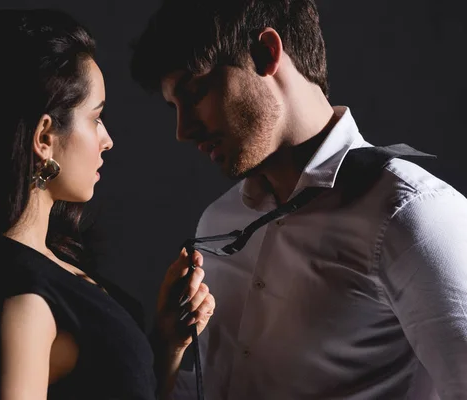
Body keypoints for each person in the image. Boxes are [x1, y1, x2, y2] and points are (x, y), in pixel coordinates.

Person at [130, 0, 467, 398]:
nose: (182, 130)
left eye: (195, 91)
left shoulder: (412, 214)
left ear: (266, 53)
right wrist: (164, 350)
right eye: (174, 106)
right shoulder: (219, 223)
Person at [0, 9, 215, 400]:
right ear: (44, 137)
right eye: (96, 118)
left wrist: (166, 344)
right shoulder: (20, 299)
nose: (107, 140)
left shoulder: (42, 268)